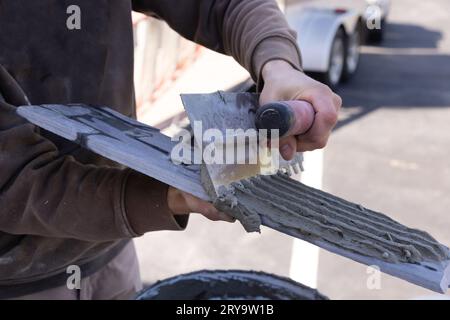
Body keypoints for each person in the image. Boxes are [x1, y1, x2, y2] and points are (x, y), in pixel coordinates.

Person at [0, 0, 341, 299]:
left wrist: (277, 63)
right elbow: (15, 181)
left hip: (111, 254)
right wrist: (168, 196)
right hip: (18, 281)